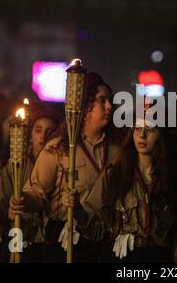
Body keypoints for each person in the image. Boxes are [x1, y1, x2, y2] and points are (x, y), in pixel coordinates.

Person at [10, 71, 121, 263]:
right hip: (65, 242)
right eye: (102, 101)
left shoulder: (118, 150)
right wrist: (22, 201)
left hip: (105, 245)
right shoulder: (59, 148)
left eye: (110, 100)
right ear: (85, 106)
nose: (109, 107)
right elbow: (36, 193)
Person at [61, 114, 177, 263]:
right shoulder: (115, 174)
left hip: (157, 257)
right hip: (121, 257)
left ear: (161, 134)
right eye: (137, 129)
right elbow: (96, 228)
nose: (142, 135)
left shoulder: (171, 178)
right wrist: (77, 209)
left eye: (150, 129)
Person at [0, 107, 62, 262]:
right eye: (38, 130)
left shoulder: (64, 164)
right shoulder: (15, 166)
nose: (43, 136)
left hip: (52, 242)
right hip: (19, 237)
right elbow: (0, 210)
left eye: (49, 131)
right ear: (30, 135)